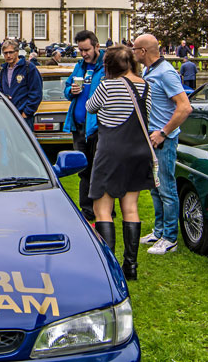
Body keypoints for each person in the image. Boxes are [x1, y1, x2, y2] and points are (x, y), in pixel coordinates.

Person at [86, 45, 152, 279]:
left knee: (102, 209)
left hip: (111, 149)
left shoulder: (107, 85)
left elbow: (90, 107)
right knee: (130, 207)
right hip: (138, 151)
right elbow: (148, 114)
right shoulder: (145, 86)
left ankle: (110, 264)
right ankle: (131, 266)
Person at [133, 34, 192, 255]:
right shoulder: (149, 71)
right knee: (155, 187)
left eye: (135, 49)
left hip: (163, 140)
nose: (133, 52)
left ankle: (170, 238)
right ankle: (158, 232)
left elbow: (185, 107)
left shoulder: (166, 73)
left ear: (143, 51)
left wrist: (164, 133)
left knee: (166, 188)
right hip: (151, 138)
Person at [63, 30, 105, 222]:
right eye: (80, 50)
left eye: (86, 49)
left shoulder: (106, 66)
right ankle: (87, 211)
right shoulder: (79, 66)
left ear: (97, 46)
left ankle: (104, 210)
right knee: (83, 170)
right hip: (79, 126)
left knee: (99, 170)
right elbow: (67, 91)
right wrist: (71, 90)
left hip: (98, 128)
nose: (84, 54)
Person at [0, 39, 42, 127]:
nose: (8, 55)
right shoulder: (4, 70)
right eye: (5, 53)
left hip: (24, 116)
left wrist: (26, 112)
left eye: (11, 52)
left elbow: (36, 93)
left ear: (17, 52)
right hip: (8, 115)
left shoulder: (29, 68)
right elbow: (1, 90)